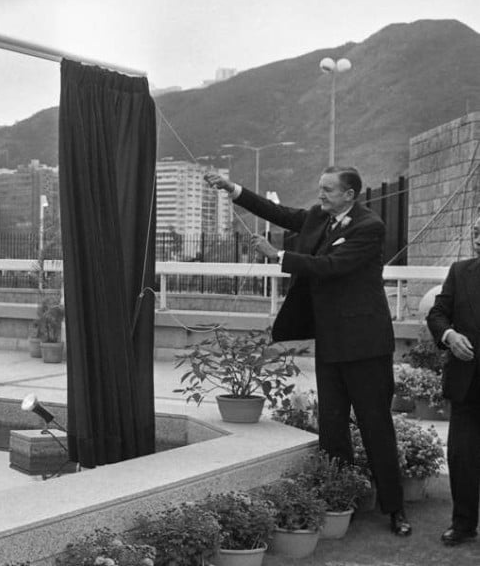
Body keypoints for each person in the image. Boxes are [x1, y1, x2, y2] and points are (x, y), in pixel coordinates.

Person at [205, 166, 410, 536]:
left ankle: (394, 509)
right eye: (320, 189)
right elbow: (280, 214)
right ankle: (339, 499)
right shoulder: (319, 217)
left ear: (350, 194)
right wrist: (232, 189)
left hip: (366, 346)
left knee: (375, 425)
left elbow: (332, 267)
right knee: (332, 426)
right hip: (331, 342)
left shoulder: (369, 227)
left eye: (328, 190)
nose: (321, 195)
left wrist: (277, 255)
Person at [425, 218, 480, 546]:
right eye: (476, 232)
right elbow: (437, 314)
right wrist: (449, 335)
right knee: (461, 457)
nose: (478, 239)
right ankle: (463, 525)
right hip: (467, 384)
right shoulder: (459, 272)